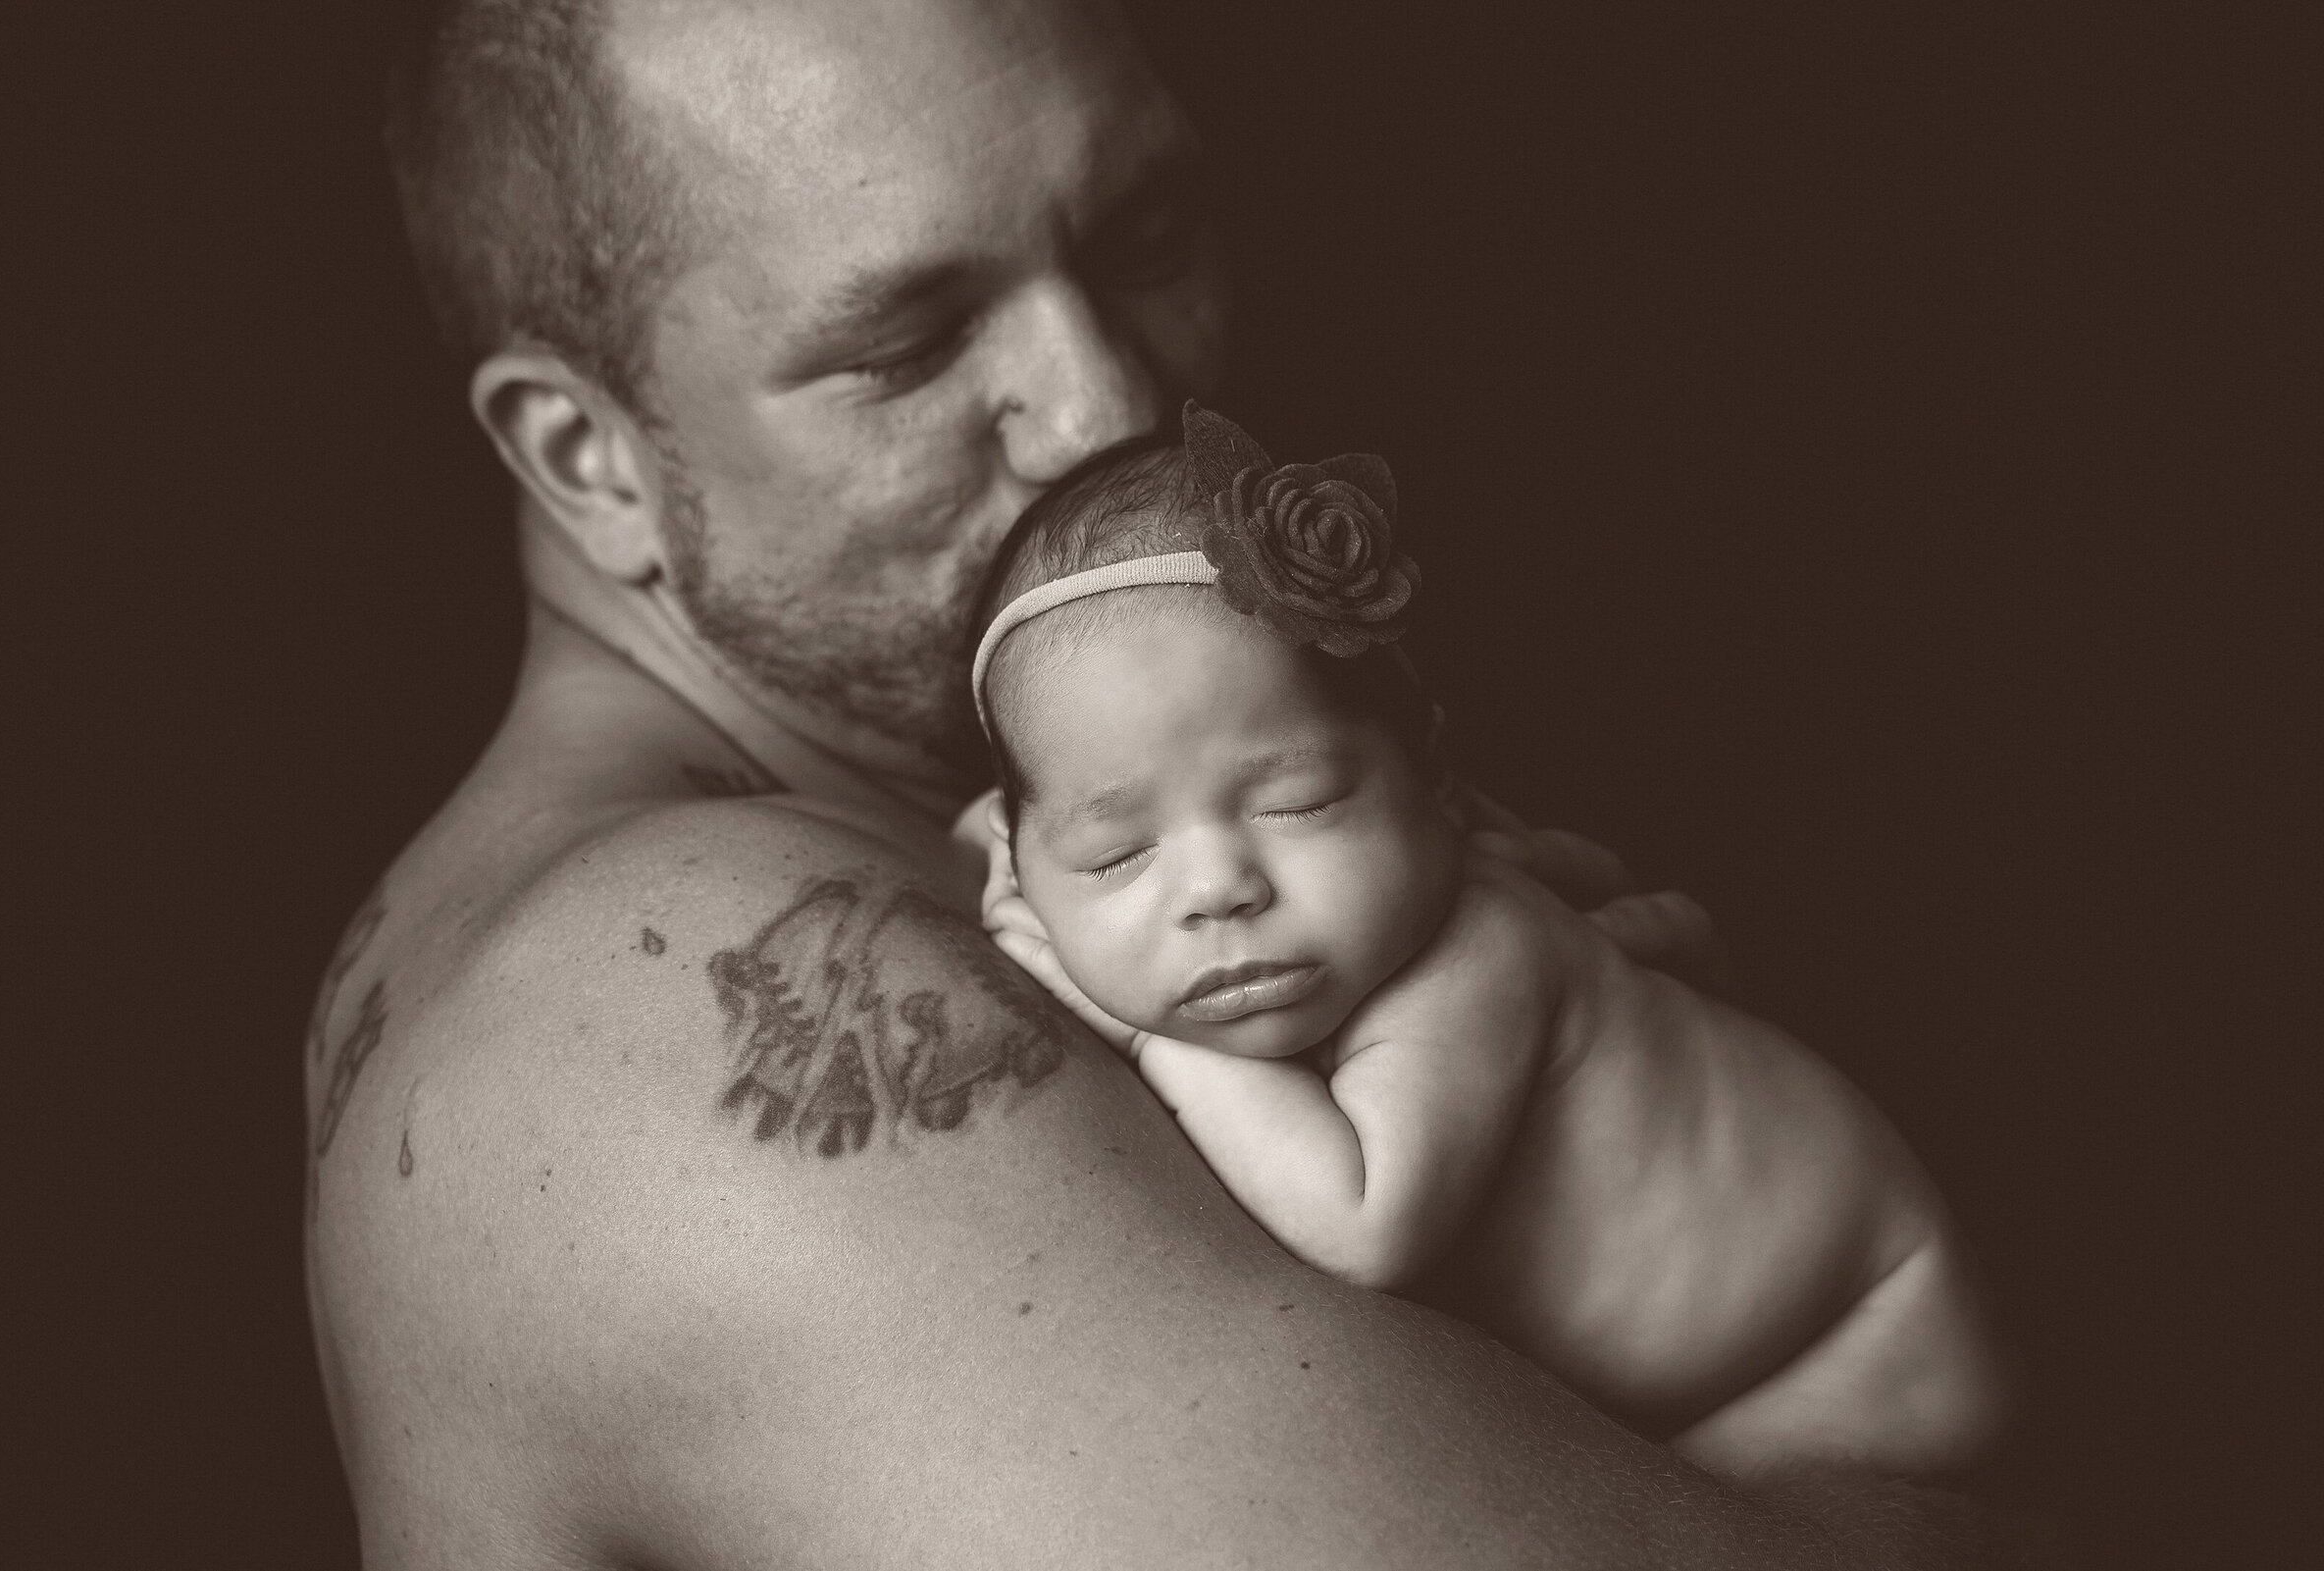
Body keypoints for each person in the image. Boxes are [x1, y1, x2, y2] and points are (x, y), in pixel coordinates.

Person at [310, 0, 2018, 1563]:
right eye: (905, 344)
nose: (1110, 407)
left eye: (1147, 240)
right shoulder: (690, 981)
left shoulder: (992, 831)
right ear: (583, 455)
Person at [969, 408, 2002, 1479]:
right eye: (1114, 853)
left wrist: (1156, 1043)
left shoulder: (1474, 956)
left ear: (1432, 777)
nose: (1218, 887)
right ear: (1021, 857)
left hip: (1855, 1330)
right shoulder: (1068, 855)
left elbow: (1364, 1221)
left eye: (1298, 801)